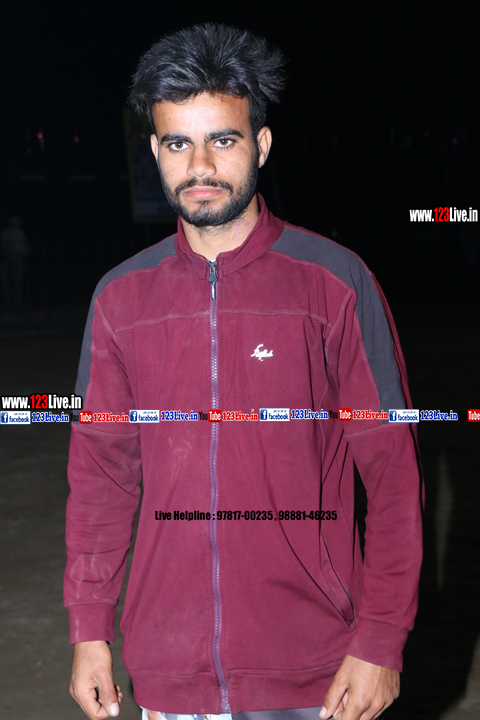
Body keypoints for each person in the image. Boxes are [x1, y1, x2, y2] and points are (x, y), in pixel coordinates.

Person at [65, 23, 423, 720]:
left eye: (222, 140)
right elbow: (101, 477)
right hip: (170, 674)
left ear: (260, 144)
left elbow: (393, 472)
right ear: (155, 152)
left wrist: (381, 639)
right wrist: (89, 630)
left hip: (318, 673)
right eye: (178, 143)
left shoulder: (334, 282)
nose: (199, 165)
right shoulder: (120, 299)